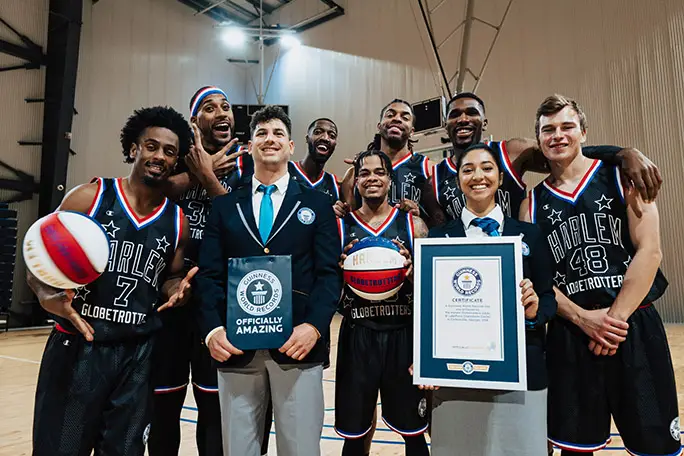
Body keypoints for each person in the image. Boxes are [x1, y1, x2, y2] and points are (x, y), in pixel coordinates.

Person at [28, 106, 196, 456]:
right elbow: (37, 258)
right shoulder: (89, 197)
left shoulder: (177, 220)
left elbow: (169, 277)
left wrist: (177, 290)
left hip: (137, 353)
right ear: (134, 149)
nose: (159, 156)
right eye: (151, 146)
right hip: (78, 344)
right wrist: (46, 296)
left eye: (169, 151)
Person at [520, 94, 679, 455]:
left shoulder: (624, 176)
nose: (557, 135)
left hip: (632, 325)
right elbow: (539, 280)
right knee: (576, 447)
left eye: (567, 127)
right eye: (548, 130)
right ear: (539, 140)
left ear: (584, 132)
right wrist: (583, 319)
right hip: (571, 333)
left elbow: (650, 250)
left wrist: (613, 320)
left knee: (655, 446)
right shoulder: (531, 203)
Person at [195, 105, 342, 456]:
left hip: (297, 344)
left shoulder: (319, 205)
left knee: (300, 449)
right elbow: (209, 275)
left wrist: (315, 327)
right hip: (236, 346)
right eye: (261, 133)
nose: (269, 139)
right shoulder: (224, 207)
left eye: (277, 133)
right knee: (239, 449)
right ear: (249, 146)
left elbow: (328, 274)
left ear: (291, 146)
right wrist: (212, 330)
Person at [150, 86, 272, 456]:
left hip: (218, 304)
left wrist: (208, 177)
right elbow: (149, 192)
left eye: (225, 107)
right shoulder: (171, 159)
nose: (222, 113)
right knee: (163, 406)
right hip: (167, 300)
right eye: (209, 107)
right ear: (194, 120)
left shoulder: (248, 165)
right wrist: (197, 172)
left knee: (214, 408)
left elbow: (248, 230)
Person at [425, 143, 557, 456]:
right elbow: (429, 308)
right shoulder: (438, 239)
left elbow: (549, 297)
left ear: (499, 176)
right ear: (458, 181)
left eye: (486, 167)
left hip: (521, 370)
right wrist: (426, 355)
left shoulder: (529, 234)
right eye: (467, 169)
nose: (477, 176)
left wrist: (535, 309)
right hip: (456, 373)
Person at [430, 92, 663, 221]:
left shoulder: (511, 151)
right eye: (454, 115)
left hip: (520, 260)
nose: (463, 119)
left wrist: (623, 154)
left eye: (471, 113)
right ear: (446, 124)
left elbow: (563, 153)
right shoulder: (436, 177)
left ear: (485, 122)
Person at [335, 150, 430, 456]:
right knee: (354, 434)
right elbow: (327, 284)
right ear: (356, 181)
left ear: (390, 179)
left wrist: (414, 272)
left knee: (413, 434)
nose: (372, 178)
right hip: (357, 334)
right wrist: (341, 271)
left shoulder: (412, 223)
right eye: (364, 173)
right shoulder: (339, 225)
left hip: (403, 333)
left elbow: (431, 285)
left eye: (379, 173)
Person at [338, 99, 444, 224]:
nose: (397, 119)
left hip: (411, 240)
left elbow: (441, 224)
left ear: (412, 131)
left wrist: (420, 216)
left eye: (405, 118)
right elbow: (349, 222)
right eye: (390, 115)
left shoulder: (428, 168)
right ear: (379, 126)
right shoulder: (353, 174)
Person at [288, 117, 341, 202]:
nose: (325, 138)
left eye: (332, 136)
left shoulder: (334, 183)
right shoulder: (286, 170)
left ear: (335, 145)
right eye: (318, 132)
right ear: (307, 138)